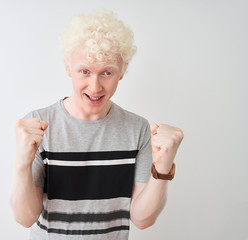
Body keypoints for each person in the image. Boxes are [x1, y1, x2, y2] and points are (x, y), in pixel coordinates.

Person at [10, 9, 184, 240]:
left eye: (107, 72)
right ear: (68, 68)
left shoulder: (138, 129)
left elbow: (142, 220)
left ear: (122, 71)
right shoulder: (39, 125)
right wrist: (23, 162)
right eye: (85, 71)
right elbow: (25, 217)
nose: (95, 87)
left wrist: (162, 169)